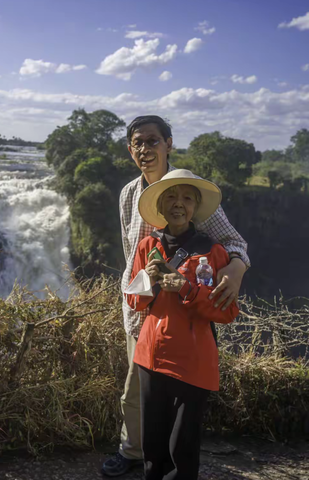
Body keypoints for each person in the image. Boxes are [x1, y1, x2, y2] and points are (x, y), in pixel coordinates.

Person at [101, 116, 250, 477]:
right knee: (137, 391)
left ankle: (173, 460)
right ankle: (134, 451)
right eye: (137, 142)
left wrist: (234, 270)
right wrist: (138, 291)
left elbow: (234, 243)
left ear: (169, 144)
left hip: (186, 313)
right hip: (141, 308)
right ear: (129, 149)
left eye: (153, 141)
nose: (144, 148)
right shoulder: (128, 194)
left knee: (180, 396)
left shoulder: (188, 191)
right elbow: (130, 252)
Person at [125, 169, 239, 480]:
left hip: (193, 361)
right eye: (171, 197)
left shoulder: (212, 251)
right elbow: (135, 303)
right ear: (160, 207)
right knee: (154, 447)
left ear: (195, 208)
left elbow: (228, 313)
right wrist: (149, 277)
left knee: (182, 450)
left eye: (187, 198)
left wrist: (186, 288)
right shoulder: (147, 246)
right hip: (152, 357)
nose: (179, 204)